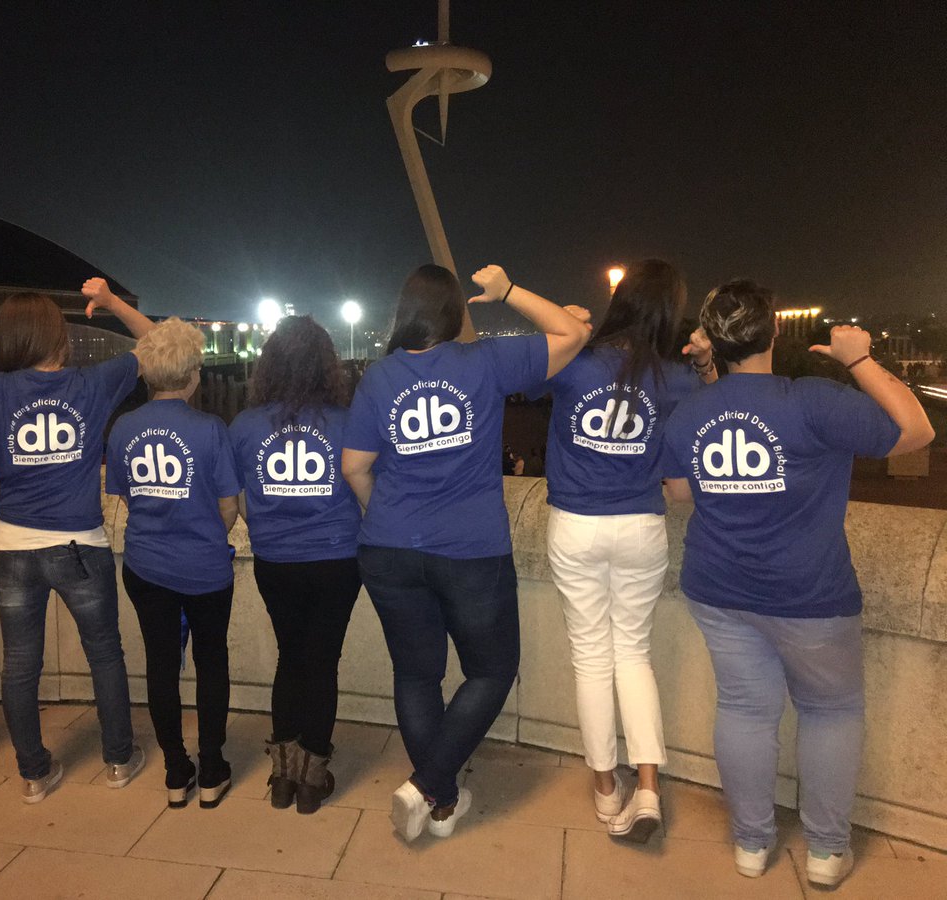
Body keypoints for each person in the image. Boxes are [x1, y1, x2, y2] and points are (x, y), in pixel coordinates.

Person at [661, 280, 933, 888]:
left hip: (718, 588)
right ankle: (826, 852)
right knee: (830, 711)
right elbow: (916, 432)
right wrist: (859, 360)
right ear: (775, 330)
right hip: (811, 595)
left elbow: (679, 493)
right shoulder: (813, 400)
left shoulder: (690, 412)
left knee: (744, 709)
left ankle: (751, 844)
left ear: (713, 340)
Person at [342, 263, 590, 840]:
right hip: (471, 550)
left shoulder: (379, 376)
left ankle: (442, 802)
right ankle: (428, 787)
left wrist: (388, 515)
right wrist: (508, 292)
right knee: (492, 670)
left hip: (389, 548)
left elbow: (354, 466)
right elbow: (573, 333)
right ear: (456, 313)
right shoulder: (485, 362)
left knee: (416, 674)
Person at [0, 278, 153, 803]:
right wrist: (111, 303)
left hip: (13, 548)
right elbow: (159, 344)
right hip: (80, 545)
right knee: (105, 655)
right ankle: (117, 759)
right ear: (58, 334)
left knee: (20, 665)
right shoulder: (90, 384)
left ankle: (34, 773)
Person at [532, 259, 717, 842]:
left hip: (576, 526)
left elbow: (521, 369)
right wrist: (706, 364)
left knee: (591, 658)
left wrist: (564, 327)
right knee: (633, 655)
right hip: (640, 525)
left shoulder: (576, 362)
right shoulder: (676, 378)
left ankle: (605, 788)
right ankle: (649, 789)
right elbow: (721, 408)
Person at [106, 317, 241, 810]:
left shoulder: (123, 427)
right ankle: (212, 768)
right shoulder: (210, 429)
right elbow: (228, 505)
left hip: (146, 566)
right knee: (212, 664)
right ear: (193, 374)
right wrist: (205, 534)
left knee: (160, 666)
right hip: (204, 568)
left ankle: (175, 769)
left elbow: (125, 494)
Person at [229, 316, 362, 814]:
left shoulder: (245, 426)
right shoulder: (346, 422)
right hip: (337, 558)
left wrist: (270, 527)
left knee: (290, 657)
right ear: (326, 366)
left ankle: (283, 777)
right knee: (322, 662)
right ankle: (312, 780)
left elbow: (240, 500)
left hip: (275, 560)